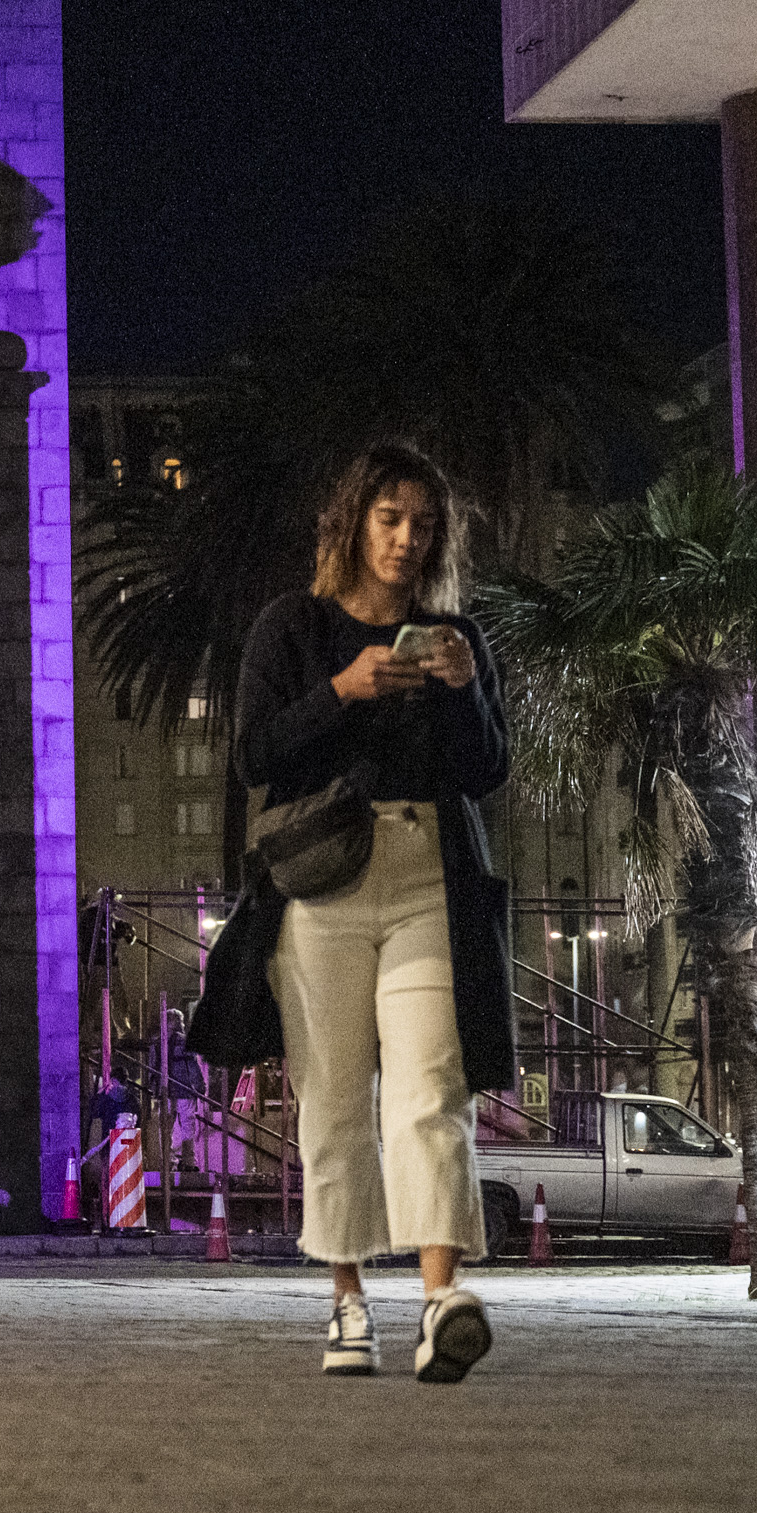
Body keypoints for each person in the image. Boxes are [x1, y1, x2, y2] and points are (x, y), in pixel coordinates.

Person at [194, 442, 514, 1383]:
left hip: (427, 877)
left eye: (423, 524)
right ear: (353, 524)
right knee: (332, 1099)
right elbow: (255, 753)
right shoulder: (293, 627)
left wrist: (459, 691)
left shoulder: (458, 638)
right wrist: (345, 688)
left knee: (430, 1088)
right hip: (321, 880)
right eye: (390, 518)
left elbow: (486, 770)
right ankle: (346, 1305)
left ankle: (441, 1300)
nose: (407, 538)